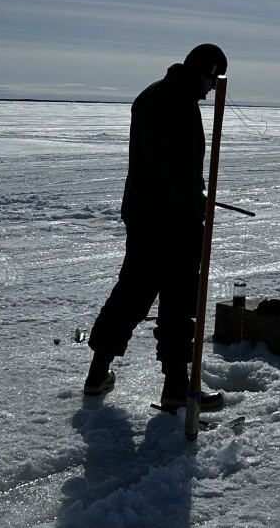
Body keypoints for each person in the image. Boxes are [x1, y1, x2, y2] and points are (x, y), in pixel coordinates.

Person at [82, 44, 228, 412]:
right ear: (206, 72)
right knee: (178, 302)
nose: (213, 88)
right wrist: (193, 212)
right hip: (172, 222)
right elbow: (178, 172)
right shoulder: (180, 105)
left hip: (143, 216)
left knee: (130, 294)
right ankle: (177, 387)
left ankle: (97, 374)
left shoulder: (151, 95)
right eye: (213, 80)